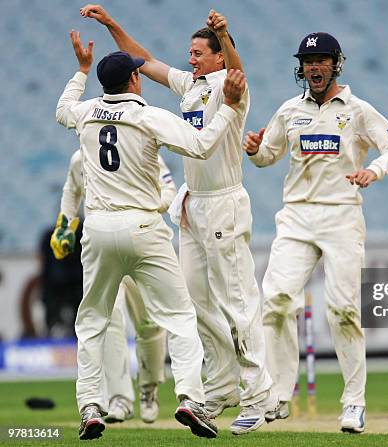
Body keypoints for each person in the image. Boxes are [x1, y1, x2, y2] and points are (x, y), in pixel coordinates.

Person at [80, 5, 274, 434]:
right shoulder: (191, 85)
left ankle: (259, 397)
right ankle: (220, 388)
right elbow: (143, 60)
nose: (191, 59)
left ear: (219, 56)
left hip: (224, 201)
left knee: (237, 302)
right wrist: (112, 25)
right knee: (197, 305)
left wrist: (227, 35)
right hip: (192, 205)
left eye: (199, 53)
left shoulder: (231, 85)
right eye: (190, 52)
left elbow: (238, 73)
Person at [243, 32, 388, 433]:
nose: (313, 67)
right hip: (297, 217)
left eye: (321, 61)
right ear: (300, 67)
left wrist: (374, 170)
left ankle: (354, 403)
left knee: (342, 310)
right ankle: (279, 395)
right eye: (307, 61)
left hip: (341, 217)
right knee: (277, 301)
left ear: (336, 64)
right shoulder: (288, 111)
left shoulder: (357, 109)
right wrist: (254, 150)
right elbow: (269, 156)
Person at [51, 149, 176, 424]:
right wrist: (65, 226)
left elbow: (169, 187)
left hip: (143, 240)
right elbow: (71, 191)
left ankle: (149, 388)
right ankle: (120, 397)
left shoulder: (141, 143)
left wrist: (152, 206)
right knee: (111, 317)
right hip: (103, 247)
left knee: (150, 324)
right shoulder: (79, 159)